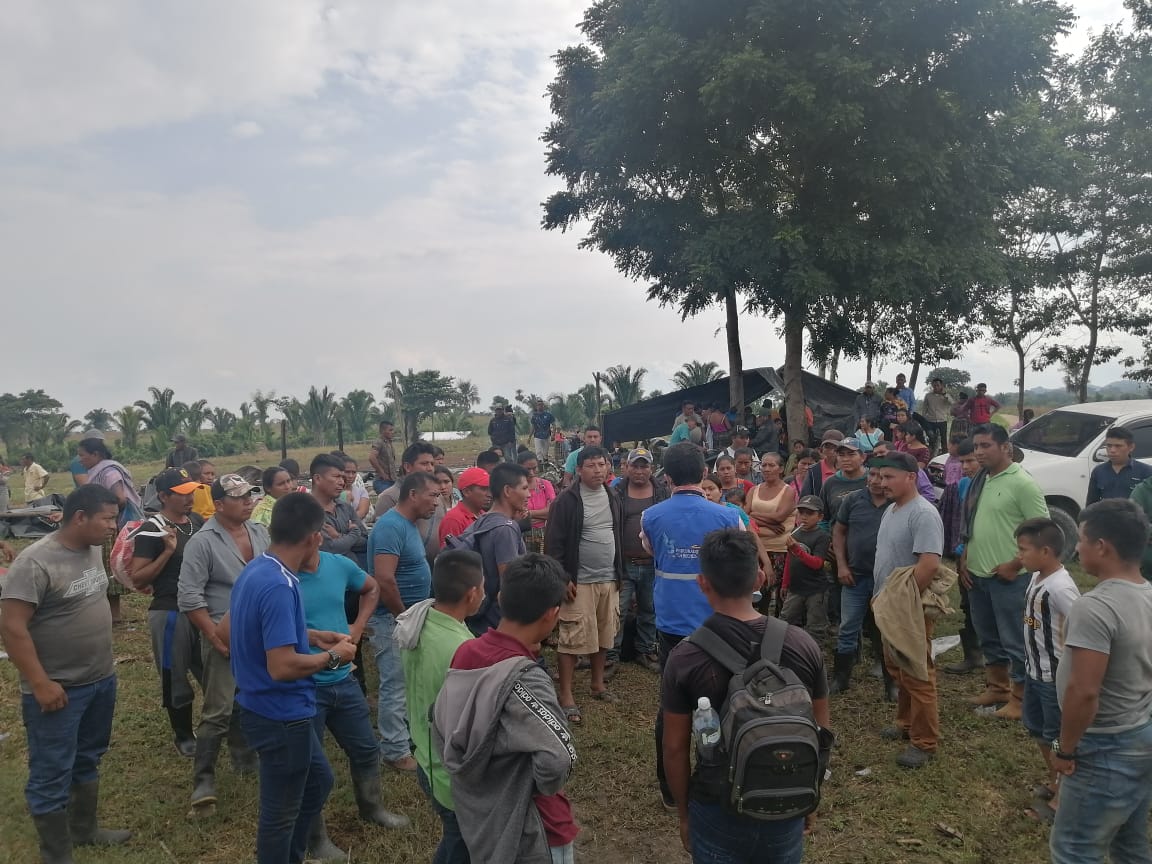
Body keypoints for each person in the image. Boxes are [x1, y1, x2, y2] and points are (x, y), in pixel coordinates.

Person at [662, 528, 830, 862]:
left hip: (716, 804)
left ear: (702, 583)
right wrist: (811, 797)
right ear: (759, 579)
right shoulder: (803, 644)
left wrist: (684, 814)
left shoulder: (686, 657)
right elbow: (821, 732)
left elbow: (675, 747)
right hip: (787, 800)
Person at [1, 485, 132, 864]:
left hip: (100, 679)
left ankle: (84, 829)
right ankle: (56, 854)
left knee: (88, 756)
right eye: (107, 518)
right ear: (80, 518)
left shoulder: (92, 548)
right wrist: (40, 683)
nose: (113, 526)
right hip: (58, 687)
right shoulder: (35, 562)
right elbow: (11, 627)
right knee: (52, 768)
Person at [224, 492, 356, 864]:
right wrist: (334, 656)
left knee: (318, 781)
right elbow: (281, 667)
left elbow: (228, 630)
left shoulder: (257, 568)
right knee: (280, 812)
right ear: (315, 537)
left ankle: (294, 855)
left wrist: (309, 636)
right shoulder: (281, 585)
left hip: (262, 706)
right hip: (281, 713)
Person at [433, 553, 579, 864]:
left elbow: (441, 719)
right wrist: (533, 784)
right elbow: (557, 760)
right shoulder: (527, 678)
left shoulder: (466, 651)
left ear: (500, 598)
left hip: (483, 813)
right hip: (537, 829)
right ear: (552, 615)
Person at [640, 443, 744, 810]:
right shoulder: (728, 516)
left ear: (665, 478)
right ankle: (720, 779)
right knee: (726, 700)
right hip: (719, 623)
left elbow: (653, 552)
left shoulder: (651, 517)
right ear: (704, 474)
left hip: (671, 624)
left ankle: (670, 788)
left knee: (672, 705)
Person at [1050, 499, 1152, 864]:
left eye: (1080, 539)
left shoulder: (1096, 606)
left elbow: (1085, 691)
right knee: (1130, 844)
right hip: (1139, 732)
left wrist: (1066, 748)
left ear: (1102, 546)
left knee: (1074, 850)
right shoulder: (1147, 593)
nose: (1076, 547)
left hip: (1104, 747)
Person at [295, 544, 408, 857]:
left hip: (342, 679)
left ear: (315, 537)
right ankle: (315, 839)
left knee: (366, 749)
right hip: (302, 684)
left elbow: (371, 588)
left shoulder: (338, 565)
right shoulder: (282, 574)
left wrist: (357, 627)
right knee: (310, 766)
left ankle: (372, 808)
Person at [177, 473, 268, 812]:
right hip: (223, 633)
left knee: (250, 698)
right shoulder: (203, 542)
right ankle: (203, 780)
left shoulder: (259, 531)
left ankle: (245, 757)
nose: (247, 501)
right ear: (218, 505)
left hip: (258, 632)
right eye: (238, 496)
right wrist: (214, 637)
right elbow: (189, 597)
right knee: (218, 709)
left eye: (249, 495)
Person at [396, 550, 484, 864]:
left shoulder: (418, 622)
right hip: (449, 775)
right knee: (462, 842)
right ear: (473, 593)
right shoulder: (462, 648)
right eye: (483, 588)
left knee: (455, 840)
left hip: (424, 754)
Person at [961, 424, 1050, 720]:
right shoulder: (981, 479)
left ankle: (1020, 699)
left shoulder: (1022, 482)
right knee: (988, 636)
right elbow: (974, 526)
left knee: (1015, 639)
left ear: (1005, 448)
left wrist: (1015, 564)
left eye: (986, 445)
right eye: (976, 446)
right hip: (978, 574)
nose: (979, 451)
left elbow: (1042, 530)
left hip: (1009, 578)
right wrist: (965, 558)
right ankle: (997, 687)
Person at [871, 451, 946, 768]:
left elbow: (929, 564)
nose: (881, 482)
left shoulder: (923, 514)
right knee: (898, 670)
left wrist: (904, 602)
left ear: (911, 477)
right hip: (889, 604)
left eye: (889, 477)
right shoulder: (893, 508)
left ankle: (925, 742)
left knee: (917, 673)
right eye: (880, 476)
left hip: (906, 607)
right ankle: (904, 723)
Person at [366, 470, 442, 773]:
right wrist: (403, 618)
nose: (437, 502)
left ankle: (408, 737)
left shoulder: (409, 524)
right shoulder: (390, 527)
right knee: (395, 683)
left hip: (409, 616)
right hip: (391, 620)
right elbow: (384, 578)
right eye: (433, 495)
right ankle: (395, 750)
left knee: (411, 680)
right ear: (413, 495)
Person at [129, 468, 206, 758]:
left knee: (212, 668)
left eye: (191, 492)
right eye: (182, 494)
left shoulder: (195, 521)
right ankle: (184, 734)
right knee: (174, 673)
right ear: (163, 496)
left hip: (202, 606)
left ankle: (220, 724)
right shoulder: (152, 529)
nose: (190, 499)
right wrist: (165, 552)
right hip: (171, 610)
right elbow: (138, 578)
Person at [546, 445, 625, 725]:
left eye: (602, 464)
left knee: (605, 633)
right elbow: (552, 545)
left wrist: (619, 574)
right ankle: (566, 694)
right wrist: (562, 577)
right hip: (578, 582)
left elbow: (617, 534)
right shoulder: (566, 501)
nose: (598, 470)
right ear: (578, 470)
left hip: (608, 578)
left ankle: (597, 684)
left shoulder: (612, 494)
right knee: (571, 638)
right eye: (591, 465)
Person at [1012, 518, 1080, 823]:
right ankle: (1055, 781)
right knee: (1038, 729)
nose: (1020, 556)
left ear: (1047, 550)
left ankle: (1065, 799)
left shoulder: (1061, 587)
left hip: (1053, 678)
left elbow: (1080, 624)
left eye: (1024, 550)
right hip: (1034, 672)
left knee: (1057, 736)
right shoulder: (1036, 577)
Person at [831, 468, 891, 695]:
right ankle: (841, 678)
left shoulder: (896, 502)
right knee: (847, 627)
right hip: (855, 576)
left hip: (886, 579)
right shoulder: (853, 500)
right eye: (872, 474)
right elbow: (839, 532)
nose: (875, 480)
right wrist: (842, 565)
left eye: (881, 475)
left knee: (886, 628)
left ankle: (890, 681)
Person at [608, 447, 667, 673]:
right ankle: (611, 654)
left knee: (649, 609)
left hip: (652, 563)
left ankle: (645, 649)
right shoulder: (617, 491)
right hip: (624, 562)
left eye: (644, 466)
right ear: (626, 467)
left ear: (651, 468)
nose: (640, 471)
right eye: (635, 465)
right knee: (618, 610)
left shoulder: (661, 491)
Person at [77, 436, 143, 626]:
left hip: (110, 528)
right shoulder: (99, 471)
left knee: (107, 568)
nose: (81, 460)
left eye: (83, 455)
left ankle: (113, 616)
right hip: (104, 524)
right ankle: (111, 615)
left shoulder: (109, 472)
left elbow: (120, 499)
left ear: (95, 454)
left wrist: (106, 517)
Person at [941, 439, 985, 675]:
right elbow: (963, 522)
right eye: (962, 462)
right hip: (965, 553)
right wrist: (960, 553)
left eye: (971, 461)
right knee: (967, 604)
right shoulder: (964, 484)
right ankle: (973, 655)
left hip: (985, 555)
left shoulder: (990, 484)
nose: (966, 467)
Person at [780, 496, 831, 641]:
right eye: (801, 512)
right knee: (785, 620)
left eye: (809, 513)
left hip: (816, 590)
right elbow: (789, 560)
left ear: (820, 517)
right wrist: (785, 583)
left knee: (815, 627)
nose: (804, 517)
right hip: (795, 588)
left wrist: (796, 549)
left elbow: (817, 563)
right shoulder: (796, 532)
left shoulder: (822, 536)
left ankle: (814, 657)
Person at [749, 452, 797, 594]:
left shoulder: (788, 491)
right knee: (758, 592)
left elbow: (779, 517)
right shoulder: (754, 489)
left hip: (780, 549)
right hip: (757, 548)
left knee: (778, 593)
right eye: (763, 465)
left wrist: (754, 514)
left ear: (781, 469)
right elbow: (744, 515)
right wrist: (769, 523)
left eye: (771, 465)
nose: (766, 469)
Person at [308, 453, 367, 565]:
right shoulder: (307, 512)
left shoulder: (345, 507)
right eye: (336, 477)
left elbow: (365, 541)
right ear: (317, 479)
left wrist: (339, 536)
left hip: (355, 572)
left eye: (342, 477)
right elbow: (330, 548)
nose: (342, 482)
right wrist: (354, 532)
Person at [1086, 426, 1152, 506]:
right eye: (1109, 446)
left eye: (1118, 446)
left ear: (1131, 447)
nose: (1112, 450)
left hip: (1134, 517)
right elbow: (1091, 504)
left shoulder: (1146, 472)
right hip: (1106, 517)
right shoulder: (1098, 471)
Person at [439, 467, 490, 547]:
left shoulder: (483, 515)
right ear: (467, 492)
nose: (489, 494)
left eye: (490, 489)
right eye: (484, 489)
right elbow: (449, 556)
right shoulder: (454, 520)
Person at [521, 451, 556, 554]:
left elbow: (553, 511)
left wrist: (529, 514)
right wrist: (543, 514)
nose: (532, 472)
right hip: (522, 537)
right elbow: (516, 515)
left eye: (534, 468)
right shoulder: (515, 487)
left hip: (545, 536)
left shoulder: (545, 485)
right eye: (527, 469)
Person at [801, 429, 844, 497]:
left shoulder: (848, 468)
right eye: (827, 447)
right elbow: (805, 497)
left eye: (835, 447)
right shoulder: (813, 471)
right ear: (822, 449)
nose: (831, 451)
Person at [920, 379, 953, 454]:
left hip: (942, 420)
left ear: (941, 385)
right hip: (930, 421)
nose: (936, 387)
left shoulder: (946, 395)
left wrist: (944, 395)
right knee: (932, 439)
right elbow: (924, 408)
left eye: (938, 385)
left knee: (943, 440)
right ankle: (931, 455)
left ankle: (944, 455)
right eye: (934, 385)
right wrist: (924, 419)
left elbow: (952, 403)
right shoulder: (928, 395)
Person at [337, 452, 372, 520]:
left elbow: (362, 512)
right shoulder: (333, 492)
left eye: (354, 472)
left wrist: (348, 521)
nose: (351, 476)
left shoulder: (361, 491)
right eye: (347, 472)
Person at [369, 420, 398, 494]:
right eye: (390, 430)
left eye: (393, 430)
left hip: (392, 481)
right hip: (382, 481)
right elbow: (372, 457)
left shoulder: (389, 443)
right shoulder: (379, 442)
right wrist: (381, 472)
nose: (392, 432)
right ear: (383, 431)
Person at [530, 399, 557, 463]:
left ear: (543, 406)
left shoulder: (548, 415)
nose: (540, 406)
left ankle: (546, 464)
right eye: (538, 405)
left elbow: (554, 425)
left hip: (546, 435)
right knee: (538, 452)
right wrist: (529, 436)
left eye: (541, 405)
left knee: (545, 453)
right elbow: (533, 427)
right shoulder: (534, 416)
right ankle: (540, 466)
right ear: (536, 406)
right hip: (537, 436)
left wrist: (553, 434)